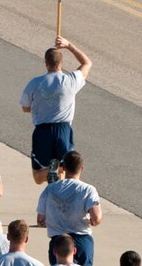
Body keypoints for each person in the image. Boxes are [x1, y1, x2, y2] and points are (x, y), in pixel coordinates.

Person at [19, 37, 90, 184]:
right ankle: (59, 171)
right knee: (67, 169)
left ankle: (53, 168)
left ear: (46, 63)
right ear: (62, 62)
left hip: (42, 130)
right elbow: (87, 63)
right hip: (63, 130)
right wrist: (68, 45)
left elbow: (25, 108)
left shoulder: (35, 83)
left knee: (38, 176)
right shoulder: (70, 80)